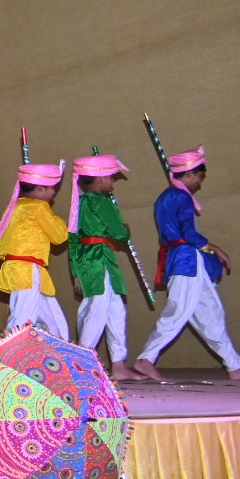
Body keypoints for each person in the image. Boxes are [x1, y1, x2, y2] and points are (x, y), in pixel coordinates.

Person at [133, 147, 240, 381]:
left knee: (210, 313)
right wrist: (216, 249)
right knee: (178, 311)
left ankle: (234, 365)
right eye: (199, 177)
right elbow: (188, 233)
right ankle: (146, 358)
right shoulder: (181, 197)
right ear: (190, 173)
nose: (200, 184)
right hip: (186, 260)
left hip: (185, 260)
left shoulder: (165, 197)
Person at [67, 155, 142, 381]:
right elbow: (118, 233)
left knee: (115, 311)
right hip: (100, 261)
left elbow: (72, 241)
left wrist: (76, 273)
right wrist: (126, 229)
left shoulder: (78, 203)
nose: (112, 182)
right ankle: (82, 365)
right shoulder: (101, 202)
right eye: (110, 177)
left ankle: (118, 365)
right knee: (97, 311)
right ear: (99, 179)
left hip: (88, 262)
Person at [0, 160, 71, 338]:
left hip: (17, 270)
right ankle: (8, 353)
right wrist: (57, 218)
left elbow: (0, 241)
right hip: (28, 271)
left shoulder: (13, 208)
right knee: (21, 319)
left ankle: (60, 350)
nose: (54, 192)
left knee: (54, 321)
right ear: (40, 189)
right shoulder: (39, 207)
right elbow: (59, 236)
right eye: (52, 188)